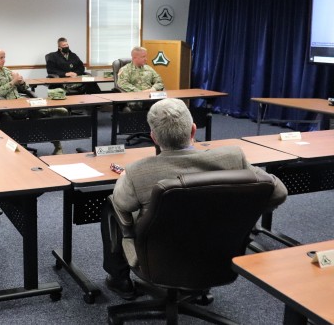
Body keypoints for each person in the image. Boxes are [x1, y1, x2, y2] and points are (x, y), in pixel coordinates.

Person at [100, 98, 288, 300]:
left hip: (157, 263)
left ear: (153, 137)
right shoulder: (233, 158)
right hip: (218, 255)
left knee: (111, 205)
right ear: (193, 130)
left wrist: (124, 179)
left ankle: (119, 280)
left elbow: (122, 203)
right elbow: (278, 192)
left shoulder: (138, 172)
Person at [0, 47, 67, 155]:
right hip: (8, 106)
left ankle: (47, 114)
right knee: (39, 114)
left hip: (20, 102)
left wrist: (21, 82)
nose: (4, 60)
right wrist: (13, 82)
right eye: (1, 58)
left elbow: (24, 88)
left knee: (41, 115)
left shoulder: (6, 70)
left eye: (4, 57)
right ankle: (48, 111)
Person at [117, 46, 164, 111]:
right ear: (134, 58)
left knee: (165, 103)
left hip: (151, 95)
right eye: (143, 57)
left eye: (146, 56)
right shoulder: (125, 70)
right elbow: (123, 84)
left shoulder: (149, 68)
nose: (146, 59)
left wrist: (153, 89)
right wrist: (140, 92)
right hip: (135, 97)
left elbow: (159, 81)